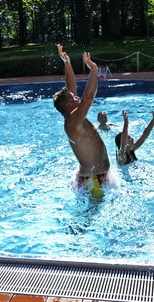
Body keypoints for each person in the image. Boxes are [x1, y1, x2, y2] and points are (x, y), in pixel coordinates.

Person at [53, 44, 110, 195]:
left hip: (96, 178)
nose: (75, 95)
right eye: (73, 97)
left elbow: (70, 87)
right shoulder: (73, 122)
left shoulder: (72, 116)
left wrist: (67, 62)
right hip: (94, 183)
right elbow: (88, 97)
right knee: (92, 217)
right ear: (70, 104)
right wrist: (94, 70)